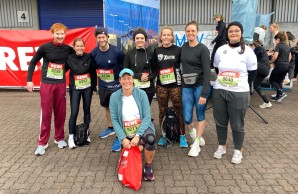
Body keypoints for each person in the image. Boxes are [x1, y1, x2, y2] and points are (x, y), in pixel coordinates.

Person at [212, 21, 257, 164]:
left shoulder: (248, 51)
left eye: (237, 31)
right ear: (227, 33)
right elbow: (217, 69)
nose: (234, 33)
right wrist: (225, 81)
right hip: (220, 90)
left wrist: (241, 84)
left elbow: (253, 72)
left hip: (238, 92)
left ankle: (238, 150)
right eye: (231, 31)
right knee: (220, 122)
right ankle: (222, 146)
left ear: (241, 33)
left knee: (237, 124)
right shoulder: (221, 50)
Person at [27, 23, 73, 156]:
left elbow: (74, 61)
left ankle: (59, 138)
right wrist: (29, 80)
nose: (60, 36)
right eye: (57, 33)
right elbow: (33, 62)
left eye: (62, 34)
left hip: (61, 85)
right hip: (46, 84)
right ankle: (42, 142)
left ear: (65, 35)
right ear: (52, 34)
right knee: (46, 113)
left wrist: (64, 70)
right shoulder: (45, 47)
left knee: (61, 112)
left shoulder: (68, 49)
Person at [110, 68, 156, 181]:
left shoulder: (142, 94)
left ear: (133, 80)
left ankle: (148, 166)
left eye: (129, 78)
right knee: (128, 149)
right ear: (120, 80)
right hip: (125, 130)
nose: (127, 81)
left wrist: (138, 135)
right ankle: (140, 146)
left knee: (150, 139)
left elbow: (147, 117)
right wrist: (122, 138)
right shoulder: (114, 97)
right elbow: (115, 120)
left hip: (141, 128)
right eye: (124, 79)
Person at [151, 26, 187, 148]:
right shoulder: (157, 51)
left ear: (172, 37)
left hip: (176, 86)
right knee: (162, 110)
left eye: (168, 35)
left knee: (178, 110)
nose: (166, 37)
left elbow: (184, 67)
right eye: (164, 35)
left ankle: (182, 135)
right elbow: (154, 69)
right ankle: (163, 134)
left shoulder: (179, 50)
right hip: (161, 86)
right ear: (161, 37)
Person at [180, 20, 211, 157]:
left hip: (199, 87)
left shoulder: (203, 49)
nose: (190, 33)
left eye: (193, 31)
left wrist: (204, 93)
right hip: (186, 86)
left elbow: (207, 72)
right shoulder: (184, 47)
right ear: (185, 33)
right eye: (188, 31)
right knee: (187, 117)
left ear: (197, 32)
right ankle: (194, 135)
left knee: (199, 114)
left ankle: (197, 143)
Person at [91, 27, 125, 152]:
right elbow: (94, 69)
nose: (101, 39)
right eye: (99, 37)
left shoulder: (117, 52)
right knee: (107, 107)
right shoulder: (94, 53)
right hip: (103, 86)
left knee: (118, 110)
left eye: (103, 37)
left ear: (107, 37)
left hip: (116, 86)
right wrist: (95, 84)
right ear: (96, 39)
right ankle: (110, 128)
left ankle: (119, 136)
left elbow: (124, 67)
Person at [65, 38, 97, 148]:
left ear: (84, 46)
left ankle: (86, 134)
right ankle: (71, 137)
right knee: (74, 112)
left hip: (87, 88)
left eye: (81, 46)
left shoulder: (89, 56)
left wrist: (94, 86)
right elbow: (62, 70)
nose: (80, 48)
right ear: (74, 47)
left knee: (87, 110)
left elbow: (93, 72)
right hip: (75, 89)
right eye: (77, 46)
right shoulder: (69, 58)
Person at [123, 27, 157, 105]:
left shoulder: (151, 53)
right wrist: (138, 76)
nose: (140, 40)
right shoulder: (129, 54)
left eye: (142, 38)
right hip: (133, 87)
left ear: (145, 39)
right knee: (135, 110)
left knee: (146, 109)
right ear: (134, 39)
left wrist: (148, 77)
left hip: (148, 88)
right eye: (137, 38)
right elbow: (125, 71)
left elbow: (155, 71)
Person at [248, 39, 272, 108]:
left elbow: (253, 58)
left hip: (262, 68)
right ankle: (267, 102)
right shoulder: (259, 48)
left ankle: (244, 100)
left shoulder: (259, 48)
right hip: (264, 69)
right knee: (256, 85)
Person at [269, 32, 292, 102]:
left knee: (272, 80)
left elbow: (275, 56)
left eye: (275, 39)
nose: (275, 41)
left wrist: (271, 61)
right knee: (279, 81)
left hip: (279, 65)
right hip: (287, 65)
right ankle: (278, 96)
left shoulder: (278, 46)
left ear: (278, 39)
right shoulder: (287, 46)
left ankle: (281, 93)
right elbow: (290, 57)